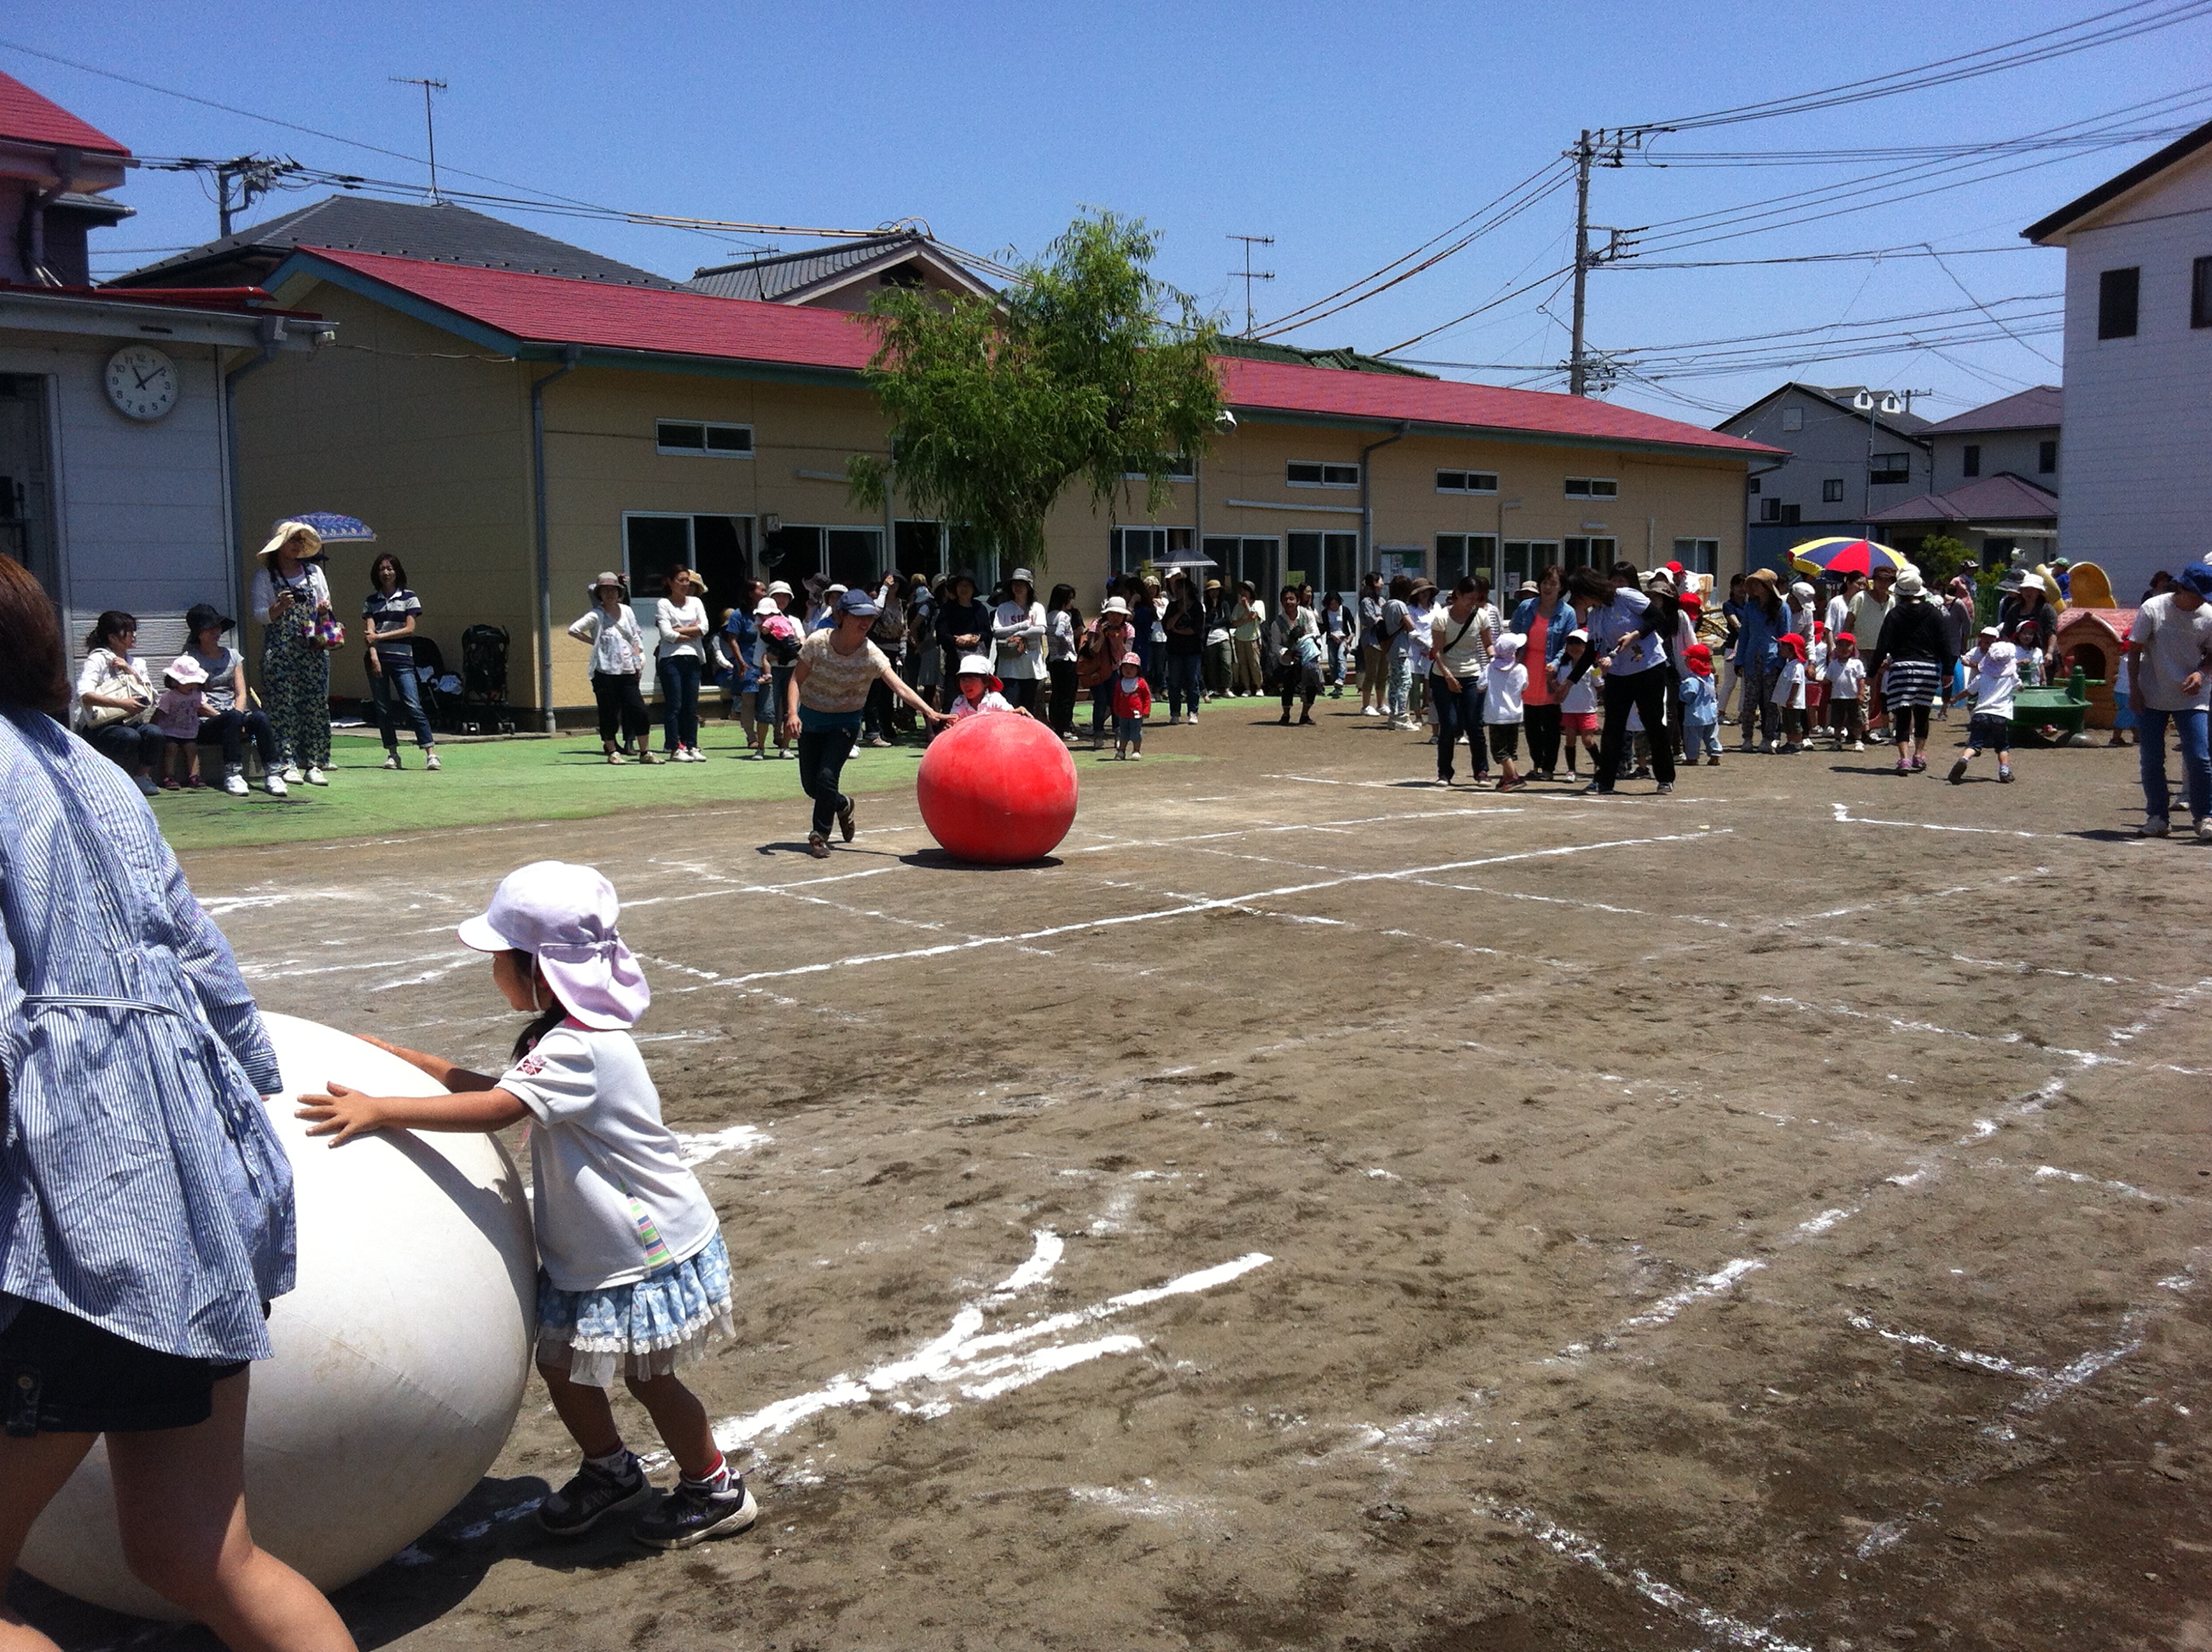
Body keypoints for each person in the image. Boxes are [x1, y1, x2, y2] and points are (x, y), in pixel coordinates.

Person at [0, 554, 358, 1652]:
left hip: (71, 1220)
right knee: (197, 1550)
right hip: (199, 1189)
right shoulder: (94, 768)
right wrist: (246, 1099)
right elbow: (204, 957)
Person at [295, 860, 753, 1551]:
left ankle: (714, 1487)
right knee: (562, 1365)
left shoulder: (580, 1047)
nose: (493, 971)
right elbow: (506, 1088)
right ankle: (611, 1470)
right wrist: (410, 1061)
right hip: (594, 1248)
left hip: (640, 1247)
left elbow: (498, 1108)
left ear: (541, 969)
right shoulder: (561, 1039)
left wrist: (382, 1109)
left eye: (500, 958)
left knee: (650, 1379)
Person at [784, 588, 949, 858]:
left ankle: (819, 836)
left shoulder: (871, 654)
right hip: (812, 720)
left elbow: (900, 688)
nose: (865, 622)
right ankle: (843, 804)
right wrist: (792, 714)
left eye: (870, 617)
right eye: (859, 616)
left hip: (845, 722)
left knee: (827, 776)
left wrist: (930, 712)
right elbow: (795, 680)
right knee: (813, 787)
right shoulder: (817, 642)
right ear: (842, 616)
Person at [1564, 565, 1676, 796]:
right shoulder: (1595, 615)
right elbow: (1591, 651)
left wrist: (1635, 634)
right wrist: (1569, 682)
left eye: (1578, 594)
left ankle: (1665, 777)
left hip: (1648, 667)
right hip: (1618, 674)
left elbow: (1658, 618)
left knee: (1653, 723)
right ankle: (1604, 781)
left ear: (1589, 589)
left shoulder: (1626, 597)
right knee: (1613, 728)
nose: (1576, 600)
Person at [2125, 561, 2212, 840]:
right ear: (2183, 588)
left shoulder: (2208, 615)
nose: (2203, 600)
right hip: (2152, 693)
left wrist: (2201, 673)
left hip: (2192, 696)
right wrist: (2135, 690)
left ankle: (2205, 816)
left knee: (2199, 757)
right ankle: (2158, 817)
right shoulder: (2153, 608)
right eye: (2199, 594)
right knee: (2152, 759)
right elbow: (2135, 649)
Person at [249, 521, 335, 787]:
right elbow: (259, 615)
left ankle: (314, 763)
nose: (298, 546)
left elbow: (325, 606)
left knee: (315, 705)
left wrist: (324, 610)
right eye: (293, 540)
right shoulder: (265, 577)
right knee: (282, 707)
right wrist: (278, 607)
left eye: (300, 540)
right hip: (280, 651)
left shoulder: (314, 572)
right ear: (279, 545)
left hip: (312, 650)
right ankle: (286, 762)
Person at [182, 604, 284, 798]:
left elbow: (241, 693)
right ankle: (232, 774)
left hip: (234, 716)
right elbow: (193, 698)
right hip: (206, 722)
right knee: (232, 718)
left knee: (260, 718)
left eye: (218, 627)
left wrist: (237, 716)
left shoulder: (233, 656)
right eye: (210, 628)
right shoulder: (190, 658)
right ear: (199, 633)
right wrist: (231, 719)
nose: (216, 631)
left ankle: (273, 773)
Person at [1864, 569, 1955, 777]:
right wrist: (1948, 670)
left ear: (1899, 593)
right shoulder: (1933, 612)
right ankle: (1919, 754)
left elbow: (1883, 645)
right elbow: (1944, 642)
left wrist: (1872, 671)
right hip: (1928, 668)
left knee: (1902, 714)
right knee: (1922, 712)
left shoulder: (1895, 614)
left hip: (1902, 668)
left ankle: (1904, 758)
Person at [361, 551, 439, 772]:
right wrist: (374, 657)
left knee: (413, 704)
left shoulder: (409, 598)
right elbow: (369, 635)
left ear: (397, 572)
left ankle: (431, 754)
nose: (386, 573)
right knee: (383, 709)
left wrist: (380, 636)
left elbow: (409, 628)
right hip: (378, 659)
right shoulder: (371, 601)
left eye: (390, 568)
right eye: (382, 569)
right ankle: (393, 753)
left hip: (403, 660)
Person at [73, 610, 165, 796]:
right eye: (128, 631)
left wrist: (130, 671)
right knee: (129, 736)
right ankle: (111, 780)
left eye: (134, 630)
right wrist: (122, 703)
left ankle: (141, 777)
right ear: (112, 637)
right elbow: (84, 695)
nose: (134, 635)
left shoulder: (137, 663)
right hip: (100, 725)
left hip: (130, 721)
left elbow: (151, 697)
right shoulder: (97, 659)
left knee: (154, 733)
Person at [569, 573, 654, 765]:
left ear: (619, 592)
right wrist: (594, 642)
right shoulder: (596, 614)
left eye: (613, 590)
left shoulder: (627, 611)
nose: (610, 593)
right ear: (599, 593)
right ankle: (612, 751)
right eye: (605, 590)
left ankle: (645, 751)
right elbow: (573, 629)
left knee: (639, 710)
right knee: (608, 713)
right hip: (604, 672)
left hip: (628, 670)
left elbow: (635, 636)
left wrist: (637, 661)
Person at [1429, 576, 1494, 785]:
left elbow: (1488, 644)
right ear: (1457, 595)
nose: (1472, 603)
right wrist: (1448, 676)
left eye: (1476, 599)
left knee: (1475, 725)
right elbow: (1437, 651)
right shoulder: (1441, 617)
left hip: (1472, 674)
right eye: (1469, 598)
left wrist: (1496, 659)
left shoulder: (1481, 616)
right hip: (1442, 676)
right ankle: (1444, 772)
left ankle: (1481, 771)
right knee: (1449, 724)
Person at [1511, 567, 1571, 779]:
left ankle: (1548, 768)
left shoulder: (1567, 613)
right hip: (1527, 668)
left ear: (1561, 588)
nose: (1548, 587)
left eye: (1553, 583)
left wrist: (1556, 663)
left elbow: (1567, 645)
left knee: (1551, 724)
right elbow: (1514, 635)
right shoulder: (1526, 607)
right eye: (1545, 582)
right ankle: (1537, 765)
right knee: (1531, 724)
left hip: (1550, 673)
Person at [1949, 624, 2019, 785]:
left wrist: (1955, 699)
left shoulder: (1982, 677)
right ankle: (2004, 771)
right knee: (2002, 746)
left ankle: (1964, 758)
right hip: (2000, 714)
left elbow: (1968, 691)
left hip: (1981, 713)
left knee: (1974, 744)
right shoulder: (2010, 677)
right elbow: (2020, 686)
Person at [654, 567, 708, 763]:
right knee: (674, 704)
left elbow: (704, 628)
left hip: (693, 657)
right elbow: (667, 634)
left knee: (691, 705)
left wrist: (680, 630)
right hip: (670, 659)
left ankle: (692, 745)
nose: (685, 584)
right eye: (681, 580)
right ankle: (675, 747)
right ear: (670, 582)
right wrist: (691, 632)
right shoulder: (663, 603)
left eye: (687, 580)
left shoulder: (696, 602)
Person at [1733, 569, 1789, 753]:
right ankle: (1747, 738)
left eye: (1758, 583)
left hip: (1772, 659)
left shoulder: (1782, 608)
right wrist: (1739, 660)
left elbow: (1785, 636)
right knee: (1749, 701)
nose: (1755, 587)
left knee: (1770, 703)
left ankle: (1768, 737)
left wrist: (1781, 662)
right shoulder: (1750, 608)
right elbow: (1744, 635)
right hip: (1751, 658)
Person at [721, 579, 771, 759]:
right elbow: (732, 639)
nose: (765, 593)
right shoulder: (738, 615)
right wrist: (740, 662)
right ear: (751, 593)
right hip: (747, 661)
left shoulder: (769, 613)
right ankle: (751, 736)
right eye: (761, 590)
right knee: (748, 700)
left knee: (769, 697)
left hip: (767, 660)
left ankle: (776, 734)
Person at [1080, 596, 1137, 747]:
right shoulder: (1097, 625)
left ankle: (1118, 733)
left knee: (1115, 701)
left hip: (1116, 669)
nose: (1115, 617)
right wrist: (1102, 637)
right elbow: (1092, 651)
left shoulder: (1128, 629)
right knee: (1100, 700)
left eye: (1119, 614)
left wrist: (1118, 641)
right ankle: (1098, 735)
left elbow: (1127, 656)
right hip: (1097, 670)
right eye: (1112, 613)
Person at [990, 567, 1047, 715]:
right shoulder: (1003, 608)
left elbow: (1041, 629)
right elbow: (997, 632)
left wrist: (1020, 635)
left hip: (1031, 667)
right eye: (1015, 584)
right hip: (1009, 668)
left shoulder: (1037, 608)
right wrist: (1021, 626)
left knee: (1028, 709)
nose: (1018, 587)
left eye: (1022, 584)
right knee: (1009, 708)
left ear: (1029, 587)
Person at [1265, 586, 1322, 725]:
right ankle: (1286, 714)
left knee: (1311, 685)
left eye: (1291, 599)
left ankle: (1305, 714)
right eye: (1285, 599)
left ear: (1298, 600)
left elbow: (1315, 632)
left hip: (1307, 658)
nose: (1288, 602)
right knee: (1288, 686)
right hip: (1288, 660)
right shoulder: (1277, 623)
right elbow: (1275, 645)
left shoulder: (1307, 615)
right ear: (1281, 602)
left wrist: (1305, 642)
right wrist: (1288, 652)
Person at [151, 656, 210, 789]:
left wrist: (218, 715)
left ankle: (194, 776)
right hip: (170, 730)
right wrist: (152, 726)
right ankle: (169, 776)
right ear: (174, 681)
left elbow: (204, 708)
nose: (192, 686)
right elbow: (159, 712)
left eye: (194, 682)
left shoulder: (197, 695)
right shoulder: (169, 696)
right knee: (171, 748)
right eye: (187, 682)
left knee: (192, 749)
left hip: (189, 729)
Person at [934, 573, 991, 709]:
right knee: (952, 702)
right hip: (955, 663)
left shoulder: (980, 608)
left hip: (977, 664)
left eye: (968, 585)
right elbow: (942, 634)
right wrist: (958, 640)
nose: (964, 589)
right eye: (961, 585)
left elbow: (988, 633)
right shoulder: (948, 609)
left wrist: (974, 637)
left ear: (973, 588)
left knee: (978, 701)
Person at [1552, 628, 1602, 779]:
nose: (1574, 647)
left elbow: (1600, 685)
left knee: (1587, 740)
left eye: (1578, 643)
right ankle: (1571, 770)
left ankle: (1600, 763)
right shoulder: (1563, 667)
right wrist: (1550, 680)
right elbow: (1559, 687)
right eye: (1571, 643)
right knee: (1570, 739)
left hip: (1587, 709)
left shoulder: (1593, 668)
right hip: (1568, 709)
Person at [1483, 632, 1528, 792]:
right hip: (1514, 714)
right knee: (1509, 749)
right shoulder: (1521, 669)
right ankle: (1506, 778)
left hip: (1496, 715)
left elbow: (1480, 685)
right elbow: (1524, 686)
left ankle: (1514, 777)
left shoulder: (1490, 668)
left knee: (1499, 751)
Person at [1161, 572, 1205, 725]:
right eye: (1176, 589)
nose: (1177, 592)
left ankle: (1193, 711)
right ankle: (1175, 712)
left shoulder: (1197, 607)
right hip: (1174, 650)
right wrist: (1180, 612)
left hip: (1192, 650)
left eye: (1180, 588)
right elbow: (1167, 626)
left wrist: (1178, 631)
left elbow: (1195, 630)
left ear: (1187, 590)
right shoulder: (1172, 607)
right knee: (1174, 682)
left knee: (1193, 681)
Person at [1045, 583, 1082, 742]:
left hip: (1054, 659)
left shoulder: (1049, 615)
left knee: (1057, 694)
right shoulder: (1064, 616)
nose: (1072, 602)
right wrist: (1067, 644)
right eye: (1070, 598)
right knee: (1067, 696)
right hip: (1066, 659)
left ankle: (1055, 725)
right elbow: (1060, 633)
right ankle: (1065, 728)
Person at [946, 654, 1025, 720]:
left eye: (972, 679)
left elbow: (1009, 713)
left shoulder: (994, 699)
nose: (966, 684)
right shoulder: (960, 702)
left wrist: (1017, 712)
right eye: (963, 679)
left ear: (985, 682)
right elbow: (953, 719)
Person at [1679, 643, 1721, 765]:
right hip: (1711, 713)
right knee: (1711, 736)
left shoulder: (1691, 680)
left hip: (1695, 715)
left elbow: (1687, 696)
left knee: (1692, 737)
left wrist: (1681, 692)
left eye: (1687, 658)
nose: (1685, 660)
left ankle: (1692, 757)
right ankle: (1715, 754)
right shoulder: (1710, 677)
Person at [1825, 631, 1867, 752]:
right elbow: (1827, 679)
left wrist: (1861, 693)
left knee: (1856, 720)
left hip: (1852, 697)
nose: (1844, 648)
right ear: (1836, 647)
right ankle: (1837, 740)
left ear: (1853, 647)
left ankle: (1858, 740)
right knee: (1837, 721)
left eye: (1847, 645)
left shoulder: (1856, 663)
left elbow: (1861, 680)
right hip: (1837, 697)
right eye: (1840, 645)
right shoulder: (1833, 664)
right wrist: (1814, 678)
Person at [1772, 633, 1807, 753]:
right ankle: (1790, 742)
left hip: (1793, 703)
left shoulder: (1797, 666)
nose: (1781, 649)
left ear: (1792, 649)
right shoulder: (1789, 664)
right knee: (1787, 723)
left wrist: (1791, 699)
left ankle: (1796, 744)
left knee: (1794, 723)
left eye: (1784, 646)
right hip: (1786, 702)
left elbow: (1796, 683)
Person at [1229, 580, 1266, 698]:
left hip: (1253, 638)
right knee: (1242, 664)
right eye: (1241, 590)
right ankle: (1247, 688)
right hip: (1239, 638)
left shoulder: (1258, 604)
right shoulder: (1237, 606)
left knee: (1254, 663)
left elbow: (1254, 617)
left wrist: (1246, 607)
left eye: (1245, 590)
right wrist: (1246, 619)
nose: (1242, 592)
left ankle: (1259, 687)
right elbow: (1234, 623)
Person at [1111, 652, 1151, 760]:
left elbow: (1147, 697)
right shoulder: (1120, 683)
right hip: (1123, 715)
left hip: (1136, 715)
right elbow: (1116, 697)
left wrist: (1146, 710)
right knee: (1123, 734)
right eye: (1125, 668)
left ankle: (1136, 750)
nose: (1128, 670)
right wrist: (1116, 709)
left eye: (1132, 668)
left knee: (1136, 734)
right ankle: (1121, 751)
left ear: (1138, 669)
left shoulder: (1141, 683)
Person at [1202, 579, 1237, 700]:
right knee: (1211, 666)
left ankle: (1227, 688)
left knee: (1226, 662)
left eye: (1216, 590)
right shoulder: (1205, 605)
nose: (1214, 593)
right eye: (1212, 590)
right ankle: (1214, 688)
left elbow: (1227, 619)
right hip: (1210, 639)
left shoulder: (1224, 604)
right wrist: (1212, 609)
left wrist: (1213, 623)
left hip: (1223, 637)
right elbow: (1205, 621)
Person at [1319, 591, 1351, 696]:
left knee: (1341, 657)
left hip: (1343, 638)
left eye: (1336, 603)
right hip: (1332, 639)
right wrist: (1331, 635)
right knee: (1332, 663)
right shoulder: (1325, 613)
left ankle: (1341, 679)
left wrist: (1350, 638)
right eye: (1331, 604)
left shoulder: (1344, 610)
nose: (1334, 606)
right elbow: (1326, 627)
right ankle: (1336, 686)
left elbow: (1352, 624)